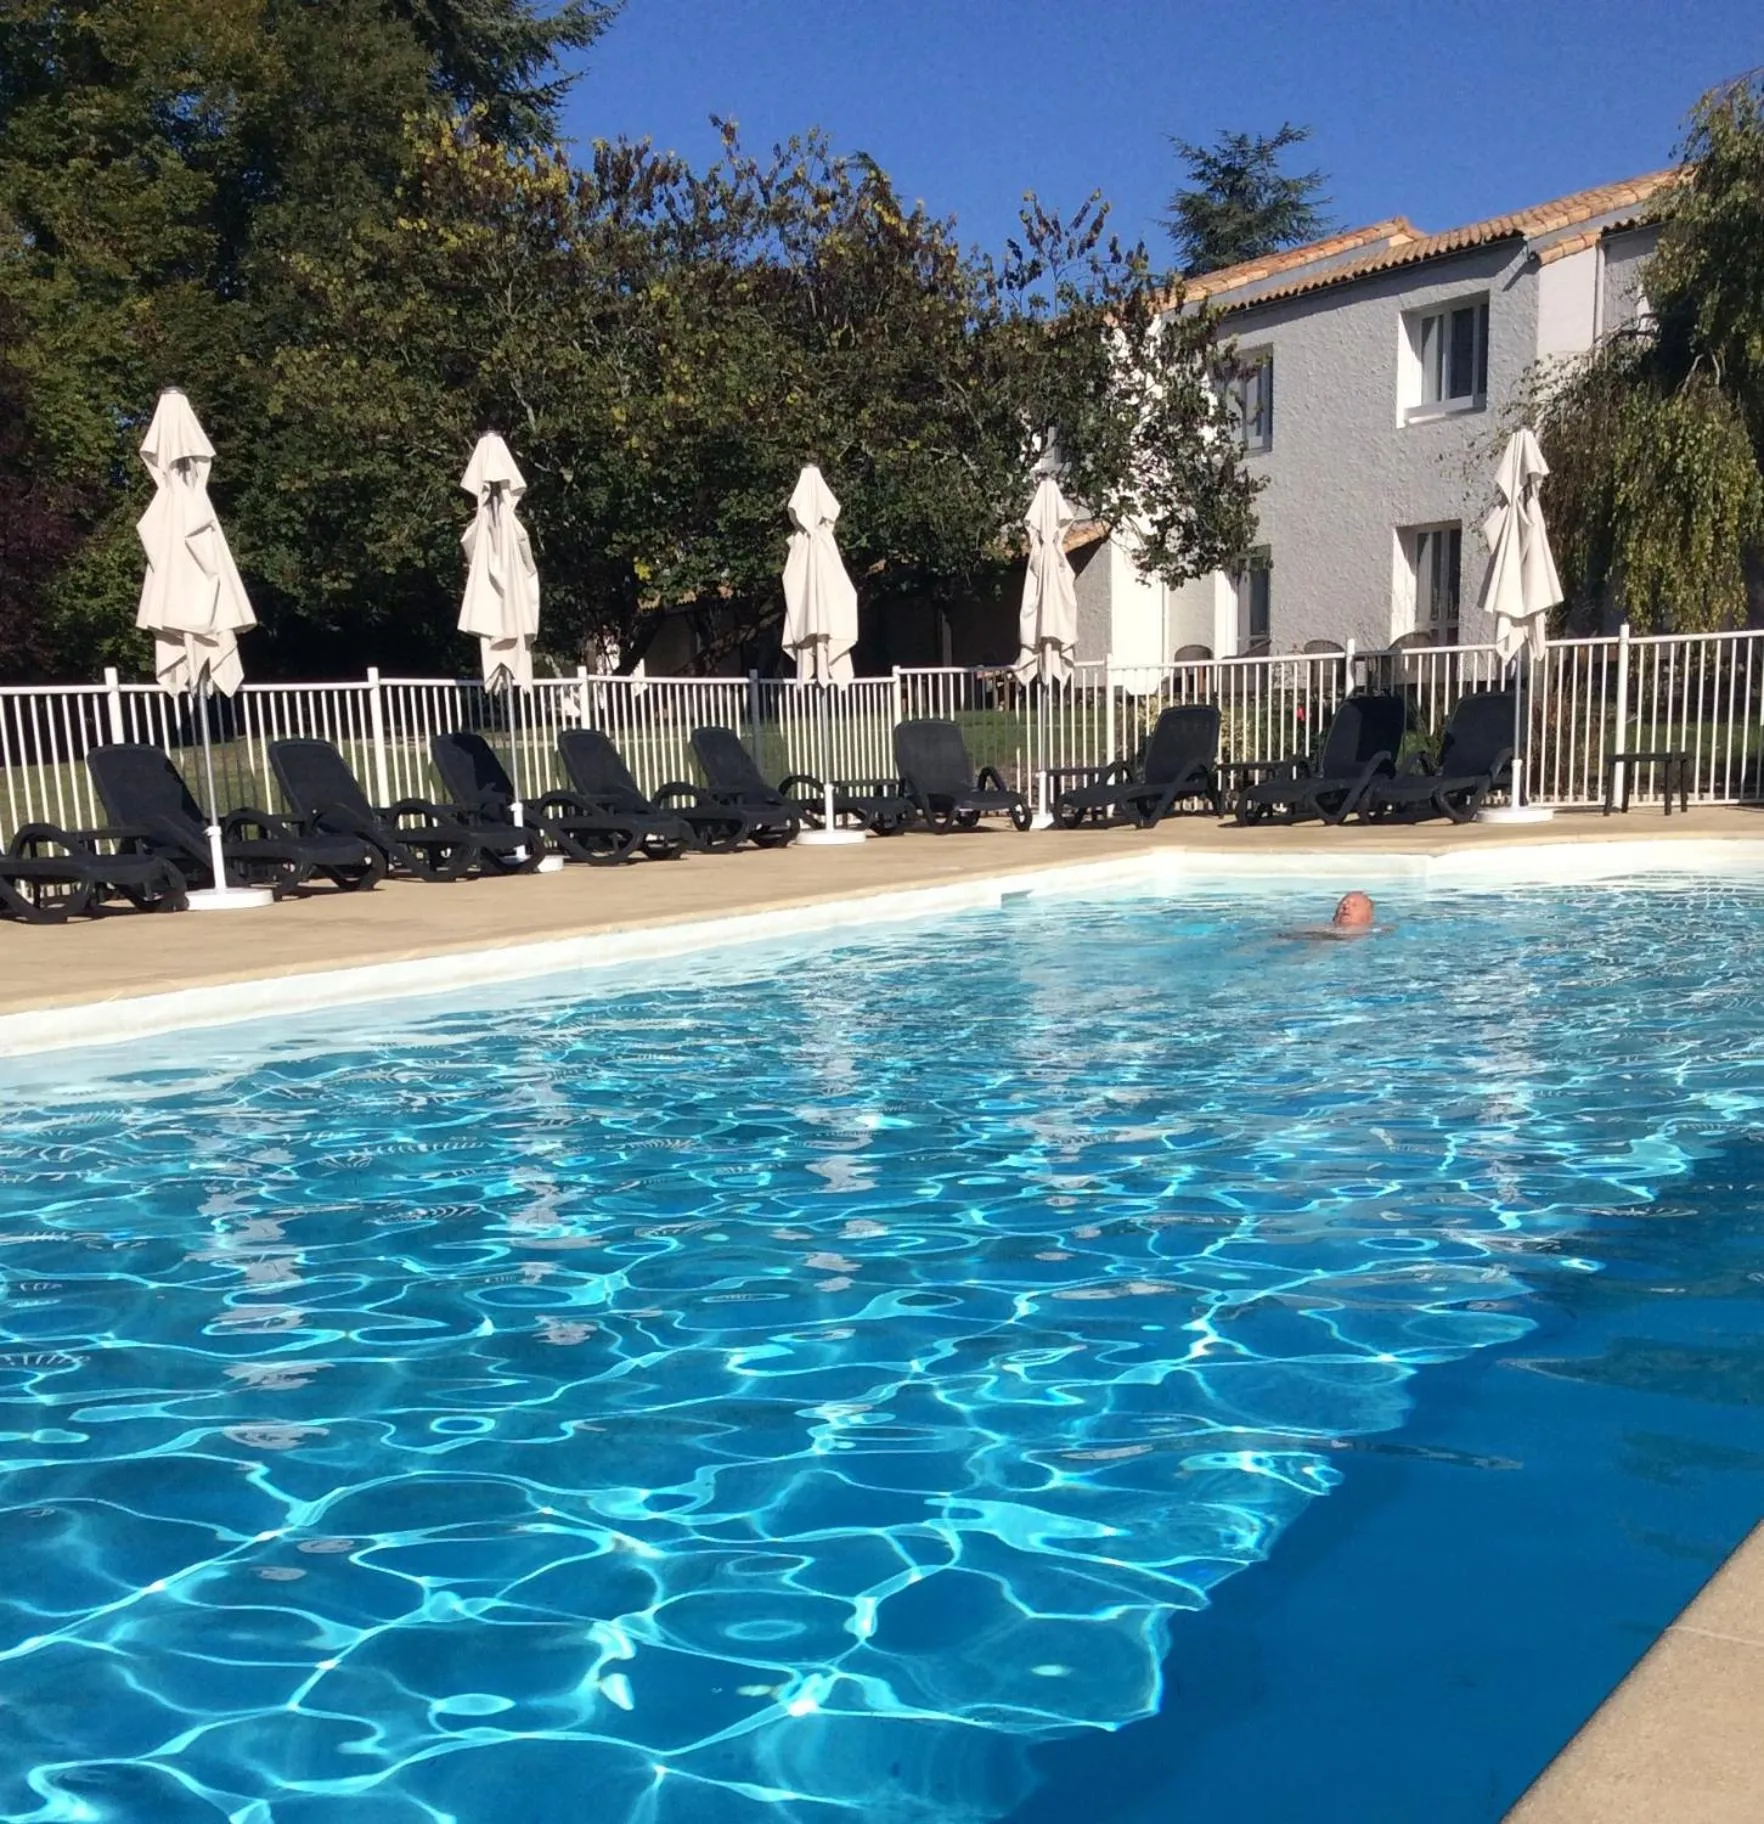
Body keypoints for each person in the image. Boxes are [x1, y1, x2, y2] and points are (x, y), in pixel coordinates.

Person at [1279, 891, 1383, 941]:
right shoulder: (1319, 927)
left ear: (1369, 916)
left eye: (1354, 905)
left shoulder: (1378, 932)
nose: (1346, 907)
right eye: (1342, 905)